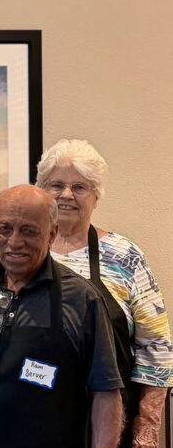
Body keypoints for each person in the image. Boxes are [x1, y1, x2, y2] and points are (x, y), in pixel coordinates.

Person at [0, 185, 123, 448]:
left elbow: (106, 392)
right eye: (5, 229)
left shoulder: (81, 299)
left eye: (29, 231)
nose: (15, 242)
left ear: (52, 234)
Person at [36, 139, 172, 448]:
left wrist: (146, 431)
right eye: (56, 184)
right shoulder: (22, 254)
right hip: (34, 418)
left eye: (79, 187)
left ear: (96, 196)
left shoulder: (124, 256)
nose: (66, 195)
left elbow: (157, 347)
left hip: (109, 424)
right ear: (41, 191)